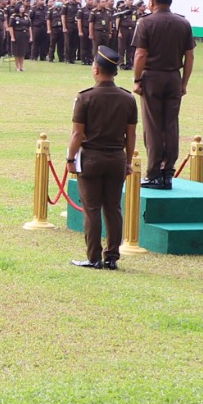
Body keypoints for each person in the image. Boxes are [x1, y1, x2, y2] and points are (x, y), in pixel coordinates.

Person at [68, 46, 138, 270]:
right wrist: (127, 161)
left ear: (96, 70)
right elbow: (131, 134)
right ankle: (112, 257)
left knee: (92, 209)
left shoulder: (85, 97)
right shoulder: (128, 99)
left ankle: (94, 257)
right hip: (116, 158)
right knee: (113, 208)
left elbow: (77, 133)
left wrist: (70, 159)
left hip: (91, 159)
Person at [131, 0, 194, 189]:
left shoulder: (146, 22)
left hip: (152, 77)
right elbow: (190, 56)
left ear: (151, 1)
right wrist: (183, 83)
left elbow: (141, 54)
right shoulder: (183, 23)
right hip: (174, 77)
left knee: (153, 126)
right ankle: (168, 172)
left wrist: (137, 79)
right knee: (171, 125)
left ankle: (154, 172)